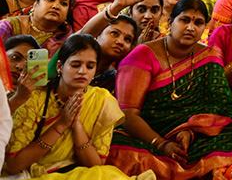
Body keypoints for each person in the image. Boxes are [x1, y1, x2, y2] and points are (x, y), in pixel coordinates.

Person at [109, 0, 232, 179]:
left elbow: (221, 105)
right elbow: (128, 114)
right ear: (170, 22)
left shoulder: (209, 55)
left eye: (198, 22)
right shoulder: (142, 55)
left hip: (193, 135)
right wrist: (162, 144)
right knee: (119, 147)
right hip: (148, 133)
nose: (191, 28)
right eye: (185, 20)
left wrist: (190, 131)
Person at [4, 34, 147, 180]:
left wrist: (77, 125)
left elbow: (96, 165)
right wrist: (61, 125)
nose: (82, 71)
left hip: (79, 173)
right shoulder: (34, 99)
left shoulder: (103, 101)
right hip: (34, 174)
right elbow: (15, 165)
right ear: (60, 66)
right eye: (75, 65)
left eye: (90, 66)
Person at [0, 0, 72, 54]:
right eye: (50, 0)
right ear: (35, 4)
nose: (56, 6)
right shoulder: (7, 27)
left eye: (64, 3)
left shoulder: (65, 38)